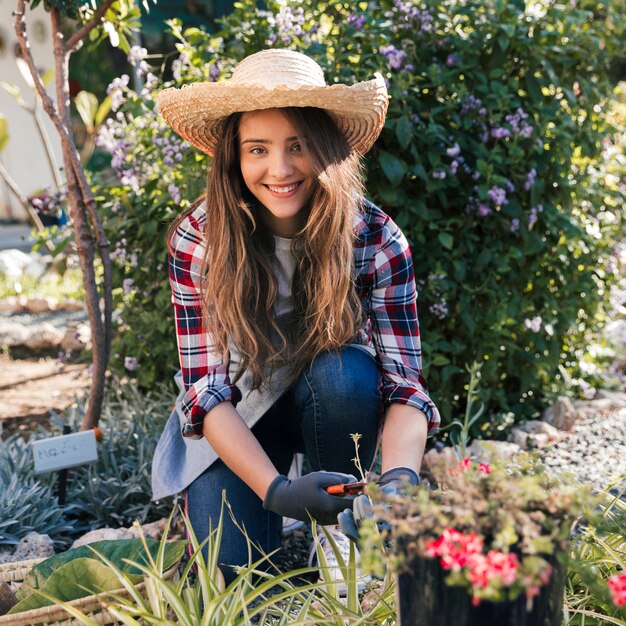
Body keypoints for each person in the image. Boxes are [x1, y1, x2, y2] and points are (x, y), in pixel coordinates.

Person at [151, 48, 440, 588]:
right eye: (257, 149)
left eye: (298, 146)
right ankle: (282, 502)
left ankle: (338, 520)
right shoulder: (200, 240)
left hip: (331, 405)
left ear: (327, 149)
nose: (279, 169)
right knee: (233, 581)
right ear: (233, 157)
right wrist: (276, 491)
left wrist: (399, 478)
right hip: (237, 418)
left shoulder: (374, 239)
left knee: (347, 372)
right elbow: (205, 391)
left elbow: (403, 384)